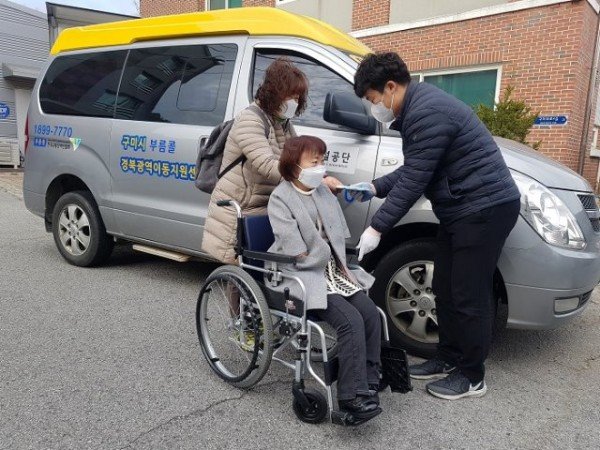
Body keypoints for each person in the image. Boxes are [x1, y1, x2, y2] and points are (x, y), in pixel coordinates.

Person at [347, 52, 521, 401]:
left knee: (468, 295)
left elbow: (414, 181)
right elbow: (414, 170)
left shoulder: (427, 112)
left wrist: (377, 228)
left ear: (391, 87)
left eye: (372, 99)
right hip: (462, 209)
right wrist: (373, 187)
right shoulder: (418, 109)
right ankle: (448, 357)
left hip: (484, 209)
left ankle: (472, 376)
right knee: (444, 286)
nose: (373, 108)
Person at [268, 135, 382, 424]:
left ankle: (368, 382)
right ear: (294, 165)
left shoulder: (320, 190)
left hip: (331, 270)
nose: (321, 167)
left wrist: (332, 189)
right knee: (350, 320)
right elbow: (297, 251)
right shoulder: (280, 198)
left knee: (369, 313)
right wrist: (322, 251)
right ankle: (349, 396)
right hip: (301, 273)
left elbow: (334, 231)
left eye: (322, 160)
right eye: (314, 161)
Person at [202, 57, 341, 263]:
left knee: (267, 271)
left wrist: (322, 175)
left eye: (297, 97)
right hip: (243, 207)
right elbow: (267, 166)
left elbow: (301, 158)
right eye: (290, 96)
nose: (294, 102)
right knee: (242, 270)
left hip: (267, 205)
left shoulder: (282, 123)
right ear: (274, 93)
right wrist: (314, 181)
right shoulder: (250, 119)